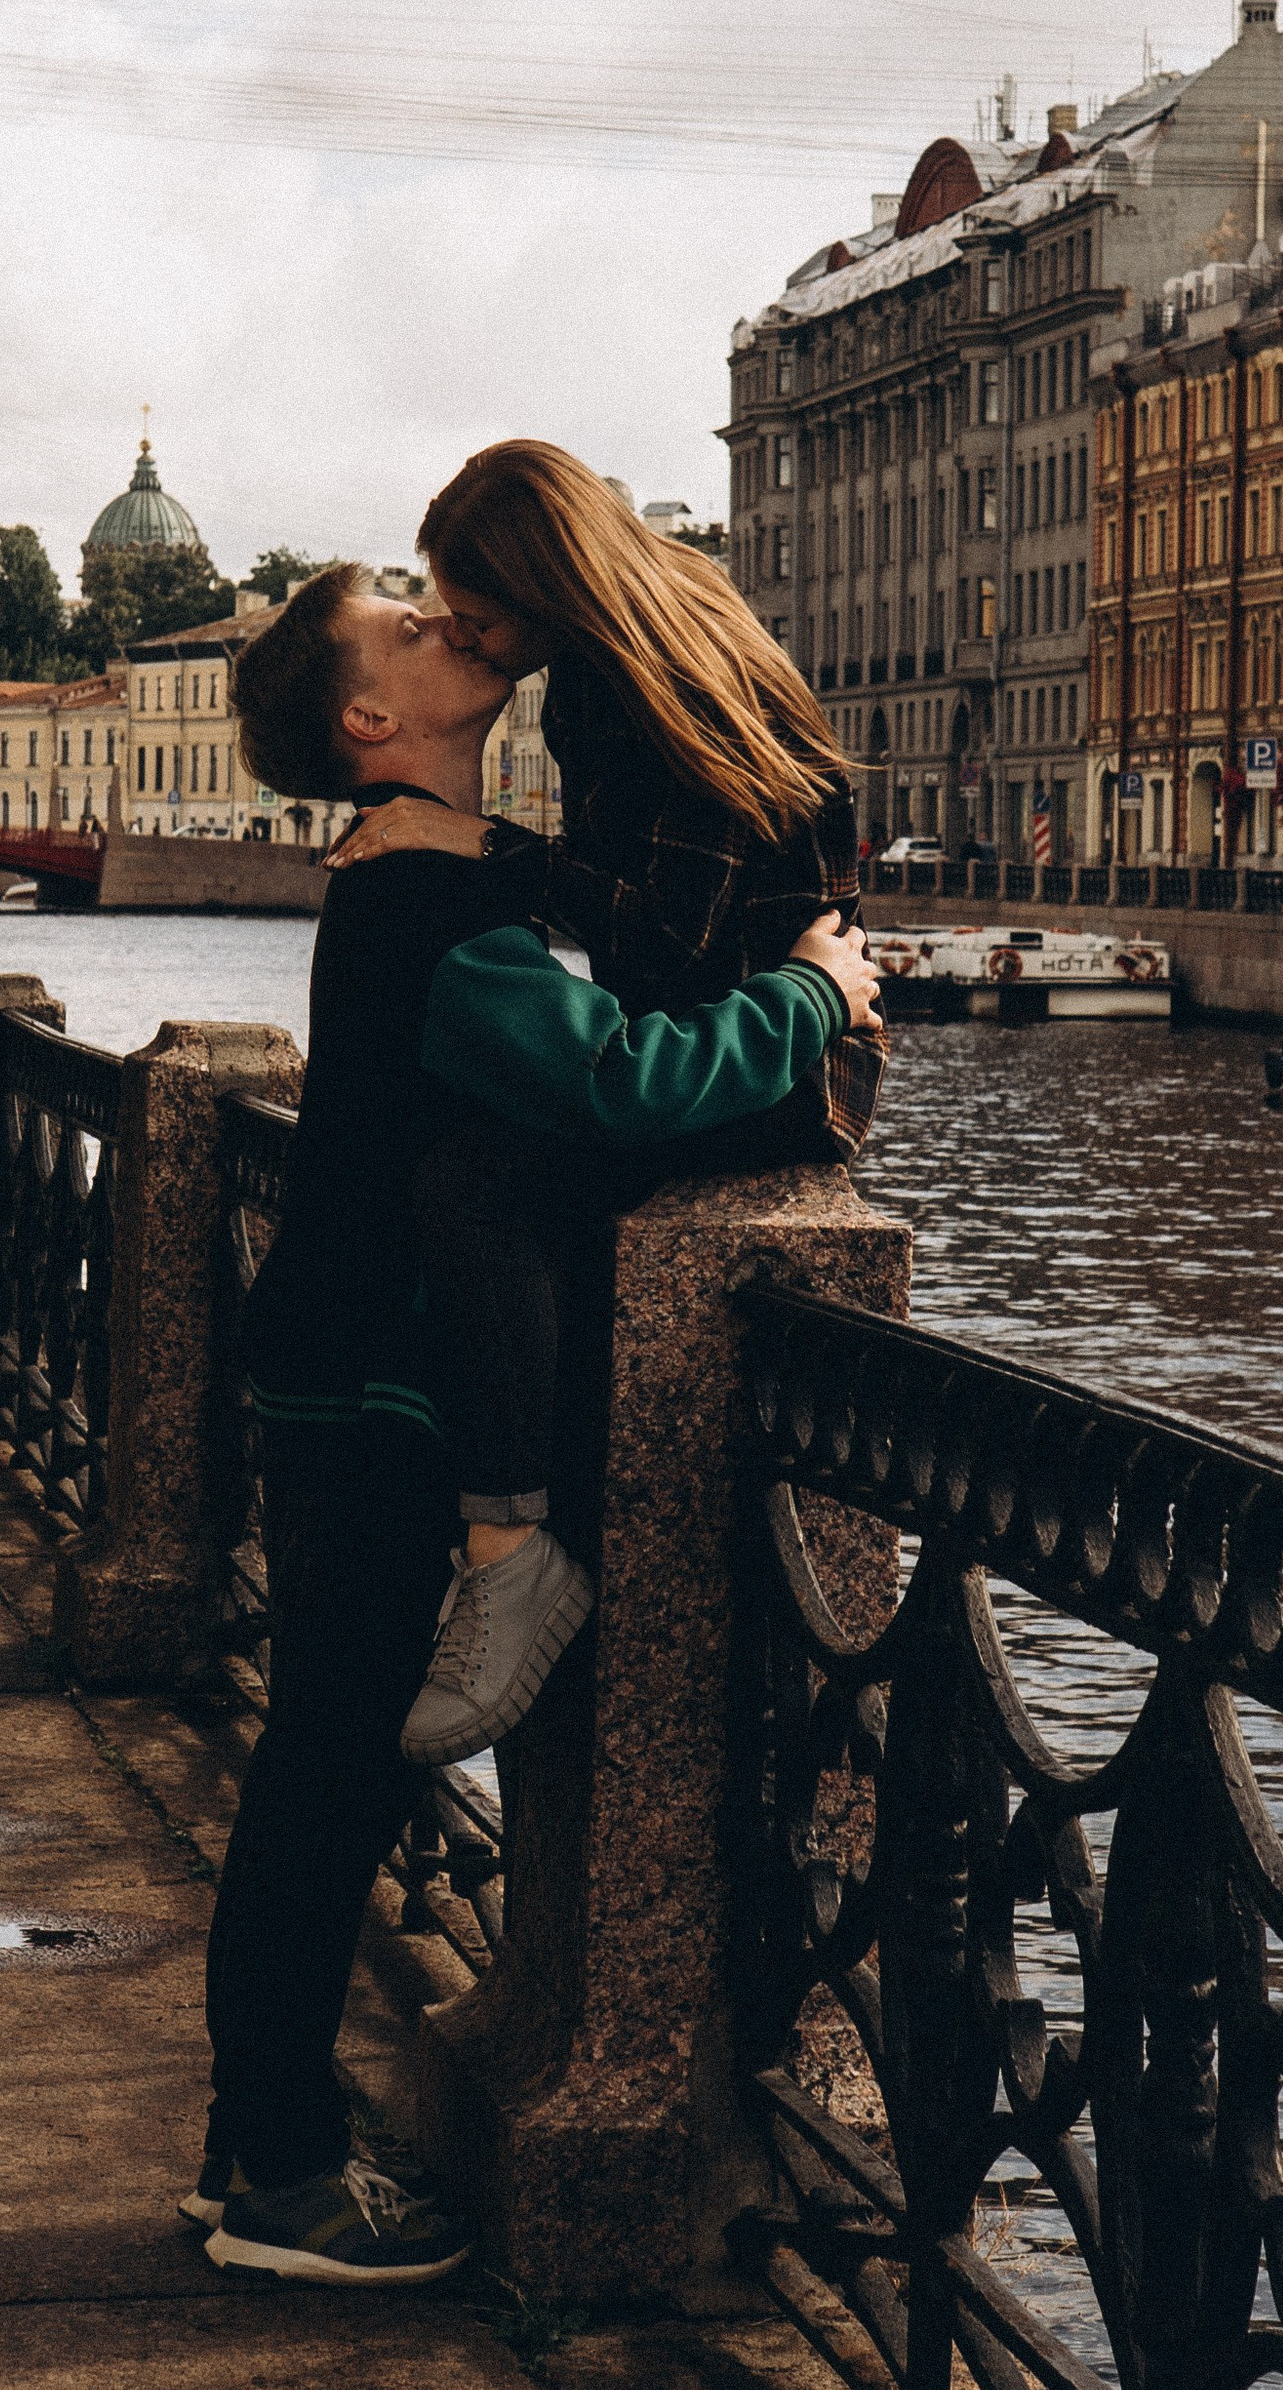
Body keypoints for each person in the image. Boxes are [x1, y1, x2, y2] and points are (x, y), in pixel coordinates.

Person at [195, 566, 880, 2288]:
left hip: (342, 1369)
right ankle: (277, 2175)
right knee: (325, 1779)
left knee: (320, 1767)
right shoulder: (433, 908)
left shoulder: (435, 875)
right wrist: (811, 994)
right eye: (404, 620)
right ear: (371, 722)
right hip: (366, 1390)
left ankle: (255, 2143)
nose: (445, 619)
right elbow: (615, 1082)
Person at [324, 443, 880, 1768]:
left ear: (548, 581)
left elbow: (675, 939)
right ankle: (515, 1537)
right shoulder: (646, 640)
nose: (471, 643)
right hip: (752, 1042)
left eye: (480, 617)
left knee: (470, 1178)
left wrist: (484, 852)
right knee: (495, 1169)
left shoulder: (650, 683)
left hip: (778, 1066)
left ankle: (512, 1555)